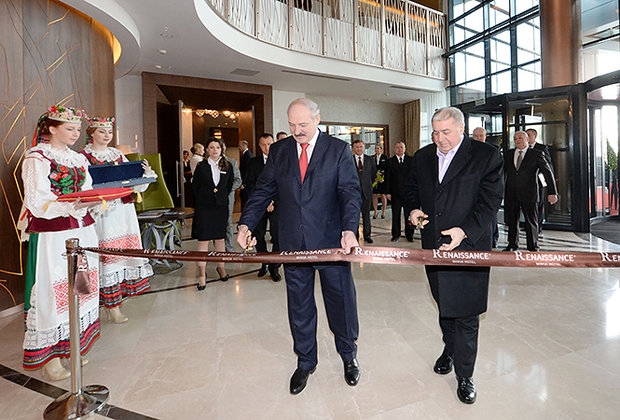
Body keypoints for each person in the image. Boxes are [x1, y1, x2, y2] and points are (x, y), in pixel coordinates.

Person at [237, 98, 361, 395]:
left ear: (317, 120)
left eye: (303, 124)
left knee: (340, 301)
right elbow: (263, 191)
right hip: (293, 242)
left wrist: (349, 229)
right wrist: (245, 224)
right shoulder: (279, 151)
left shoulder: (337, 149)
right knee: (299, 305)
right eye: (292, 125)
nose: (297, 131)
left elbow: (349, 192)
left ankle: (348, 355)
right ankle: (305, 361)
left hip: (331, 242)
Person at [404, 107, 504, 404]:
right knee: (445, 304)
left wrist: (465, 230)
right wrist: (414, 209)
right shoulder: (423, 156)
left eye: (446, 132)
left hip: (469, 247)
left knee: (467, 313)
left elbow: (489, 202)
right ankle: (450, 348)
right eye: (435, 132)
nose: (440, 139)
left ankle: (465, 374)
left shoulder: (486, 156)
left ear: (461, 129)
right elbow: (411, 189)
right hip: (434, 246)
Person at [18, 105, 101, 380]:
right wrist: (69, 206)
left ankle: (71, 346)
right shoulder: (37, 158)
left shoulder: (78, 158)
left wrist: (92, 201)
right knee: (53, 290)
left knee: (80, 285)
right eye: (69, 128)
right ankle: (50, 358)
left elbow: (87, 189)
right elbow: (36, 200)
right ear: (52, 128)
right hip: (52, 233)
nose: (75, 134)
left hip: (81, 229)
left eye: (78, 129)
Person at [80, 116, 155, 323]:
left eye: (110, 132)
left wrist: (144, 173)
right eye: (102, 131)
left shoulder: (117, 154)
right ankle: (110, 306)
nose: (107, 136)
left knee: (123, 258)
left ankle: (117, 302)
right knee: (108, 260)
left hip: (123, 211)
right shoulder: (83, 157)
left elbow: (133, 184)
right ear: (91, 133)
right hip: (103, 213)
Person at [503, 131, 558, 252]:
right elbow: (502, 173)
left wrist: (552, 192)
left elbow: (548, 173)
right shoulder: (508, 154)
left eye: (520, 138)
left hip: (530, 193)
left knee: (531, 221)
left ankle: (533, 246)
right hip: (511, 193)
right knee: (512, 221)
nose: (517, 140)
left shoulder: (536, 154)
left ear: (527, 139)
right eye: (515, 138)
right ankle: (512, 244)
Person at [192, 138, 235, 290]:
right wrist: (207, 197)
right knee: (203, 240)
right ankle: (202, 274)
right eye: (212, 147)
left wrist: (219, 197)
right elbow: (195, 187)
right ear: (207, 150)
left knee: (220, 239)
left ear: (222, 149)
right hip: (204, 207)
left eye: (218, 147)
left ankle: (221, 267)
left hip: (220, 207)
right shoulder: (201, 166)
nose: (215, 150)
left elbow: (229, 185)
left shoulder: (227, 165)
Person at [244, 133, 281, 281]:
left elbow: (284, 185)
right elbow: (250, 184)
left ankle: (275, 267)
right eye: (263, 145)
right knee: (258, 236)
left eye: (269, 144)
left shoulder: (281, 161)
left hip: (277, 205)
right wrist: (264, 202)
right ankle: (264, 262)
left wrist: (272, 201)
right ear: (259, 146)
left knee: (277, 236)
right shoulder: (253, 163)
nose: (267, 147)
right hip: (259, 206)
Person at [472, 127, 499, 247]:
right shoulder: (468, 151)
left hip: (488, 188)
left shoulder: (493, 151)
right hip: (473, 189)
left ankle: (493, 238)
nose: (478, 138)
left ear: (485, 137)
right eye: (476, 136)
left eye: (481, 136)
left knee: (491, 215)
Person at [526, 128, 555, 234]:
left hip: (539, 180)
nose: (527, 137)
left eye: (529, 135)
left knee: (539, 203)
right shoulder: (524, 149)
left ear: (535, 136)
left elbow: (548, 165)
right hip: (526, 182)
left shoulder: (542, 148)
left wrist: (549, 179)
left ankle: (538, 226)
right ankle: (529, 225)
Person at [385, 141, 415, 242]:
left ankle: (409, 234)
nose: (399, 149)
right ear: (394, 149)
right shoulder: (390, 161)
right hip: (395, 193)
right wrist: (387, 192)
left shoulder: (411, 160)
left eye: (401, 147)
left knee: (409, 215)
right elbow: (387, 178)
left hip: (408, 193)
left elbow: (414, 177)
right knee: (395, 215)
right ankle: (396, 234)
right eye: (397, 147)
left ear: (405, 149)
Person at [352, 139, 376, 243]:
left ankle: (367, 235)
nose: (359, 149)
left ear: (364, 147)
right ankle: (355, 235)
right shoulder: (349, 159)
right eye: (356, 147)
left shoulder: (370, 159)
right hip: (353, 192)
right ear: (353, 148)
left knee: (366, 215)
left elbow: (374, 175)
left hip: (367, 191)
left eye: (361, 147)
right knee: (354, 215)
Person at [221, 141, 243, 252]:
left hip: (227, 196)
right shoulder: (207, 164)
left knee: (227, 221)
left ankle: (229, 248)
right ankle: (219, 248)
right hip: (212, 198)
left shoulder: (231, 162)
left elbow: (238, 180)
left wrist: (227, 190)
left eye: (220, 147)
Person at [372, 143, 388, 219]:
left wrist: (382, 178)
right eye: (376, 148)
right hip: (375, 179)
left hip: (382, 179)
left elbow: (387, 169)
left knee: (382, 195)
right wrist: (375, 178)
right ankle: (375, 211)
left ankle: (383, 211)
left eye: (378, 148)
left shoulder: (385, 157)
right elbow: (371, 169)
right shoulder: (372, 158)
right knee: (374, 195)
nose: (377, 150)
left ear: (381, 149)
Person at [238, 139, 254, 209]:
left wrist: (243, 183)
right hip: (245, 183)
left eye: (240, 146)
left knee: (246, 200)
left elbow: (247, 171)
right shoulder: (245, 154)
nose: (239, 147)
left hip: (246, 184)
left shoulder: (248, 155)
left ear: (244, 146)